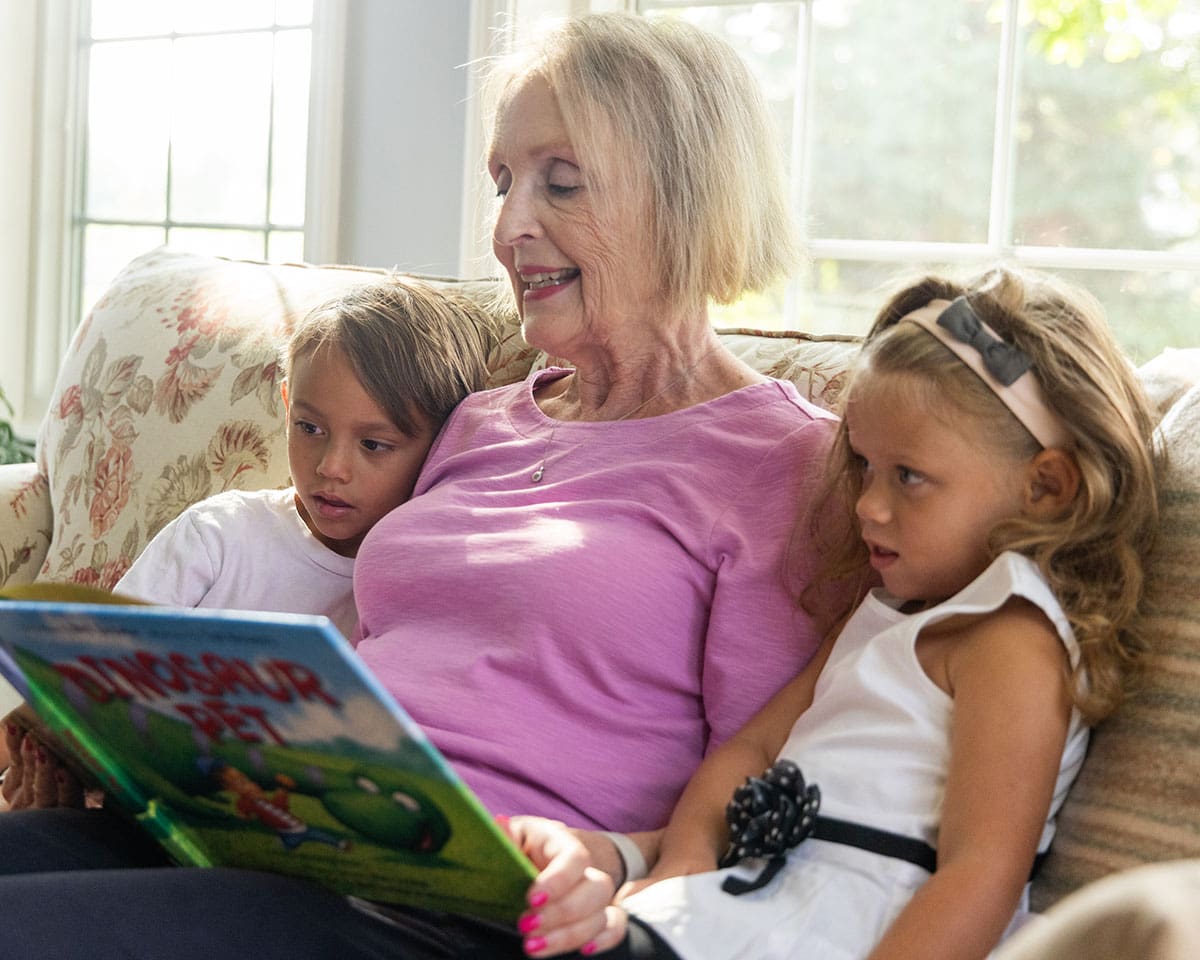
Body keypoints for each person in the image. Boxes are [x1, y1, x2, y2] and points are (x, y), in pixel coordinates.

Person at [0, 13, 849, 959]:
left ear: (685, 197)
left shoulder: (788, 465)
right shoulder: (484, 421)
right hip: (290, 831)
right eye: (501, 182)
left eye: (559, 183)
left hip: (457, 909)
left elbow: (766, 797)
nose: (507, 228)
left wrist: (611, 866)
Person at [537, 266, 1163, 959]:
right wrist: (684, 864)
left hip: (855, 927)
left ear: (1044, 486)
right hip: (747, 904)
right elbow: (751, 751)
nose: (867, 503)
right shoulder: (884, 615)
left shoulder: (1009, 636)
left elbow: (981, 871)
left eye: (909, 476)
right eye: (864, 465)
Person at [0, 275, 497, 811]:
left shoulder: (424, 590)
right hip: (125, 803)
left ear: (442, 445)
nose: (331, 467)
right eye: (309, 428)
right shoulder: (218, 536)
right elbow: (79, 672)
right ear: (287, 404)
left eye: (374, 444)